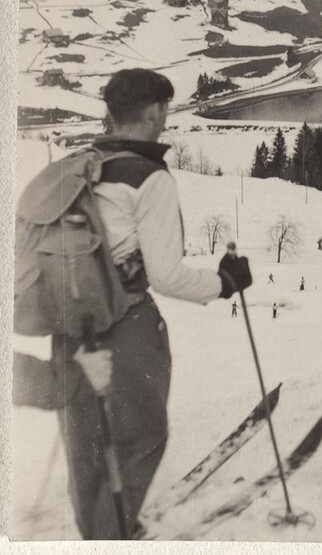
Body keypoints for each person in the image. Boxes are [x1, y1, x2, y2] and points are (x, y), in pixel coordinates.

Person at [15, 69, 252, 540]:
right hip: (125, 323)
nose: (166, 116)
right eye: (164, 108)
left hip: (71, 318)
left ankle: (96, 530)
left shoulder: (80, 166)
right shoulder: (149, 176)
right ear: (154, 111)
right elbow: (167, 275)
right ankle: (113, 536)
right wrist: (224, 283)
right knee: (141, 436)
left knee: (85, 441)